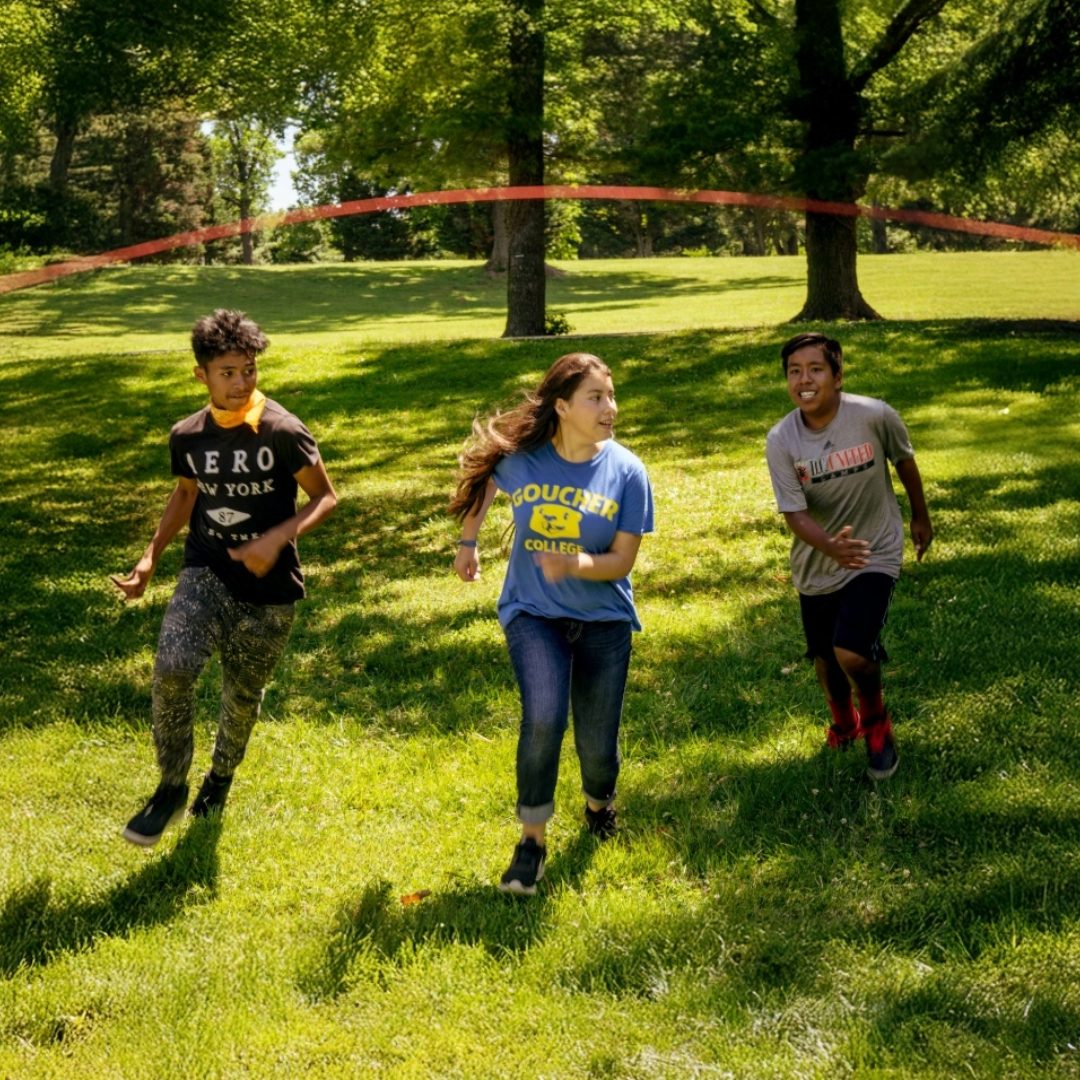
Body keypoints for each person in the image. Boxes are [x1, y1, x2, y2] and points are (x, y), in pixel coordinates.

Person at [112, 309, 338, 846]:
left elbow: (325, 497)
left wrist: (275, 539)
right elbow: (187, 494)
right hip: (206, 568)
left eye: (249, 371)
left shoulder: (283, 431)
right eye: (228, 373)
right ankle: (170, 786)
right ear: (202, 376)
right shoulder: (188, 436)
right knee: (172, 667)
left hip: (271, 589)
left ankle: (219, 778)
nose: (241, 383)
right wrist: (150, 556)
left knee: (241, 695)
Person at [451, 353, 654, 895]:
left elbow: (622, 562)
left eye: (611, 395)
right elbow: (485, 481)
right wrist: (469, 543)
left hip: (604, 620)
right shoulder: (524, 461)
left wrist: (573, 565)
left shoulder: (628, 472)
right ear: (562, 407)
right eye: (596, 397)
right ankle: (532, 842)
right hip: (532, 613)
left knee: (597, 744)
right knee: (542, 717)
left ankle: (598, 805)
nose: (610, 407)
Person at [765, 332, 932, 780]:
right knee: (825, 657)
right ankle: (843, 719)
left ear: (838, 376)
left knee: (851, 651)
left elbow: (904, 461)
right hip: (817, 563)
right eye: (794, 371)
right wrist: (830, 547)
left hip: (874, 549)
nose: (804, 379)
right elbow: (794, 514)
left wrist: (920, 516)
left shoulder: (874, 416)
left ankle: (877, 724)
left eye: (816, 369)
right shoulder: (781, 439)